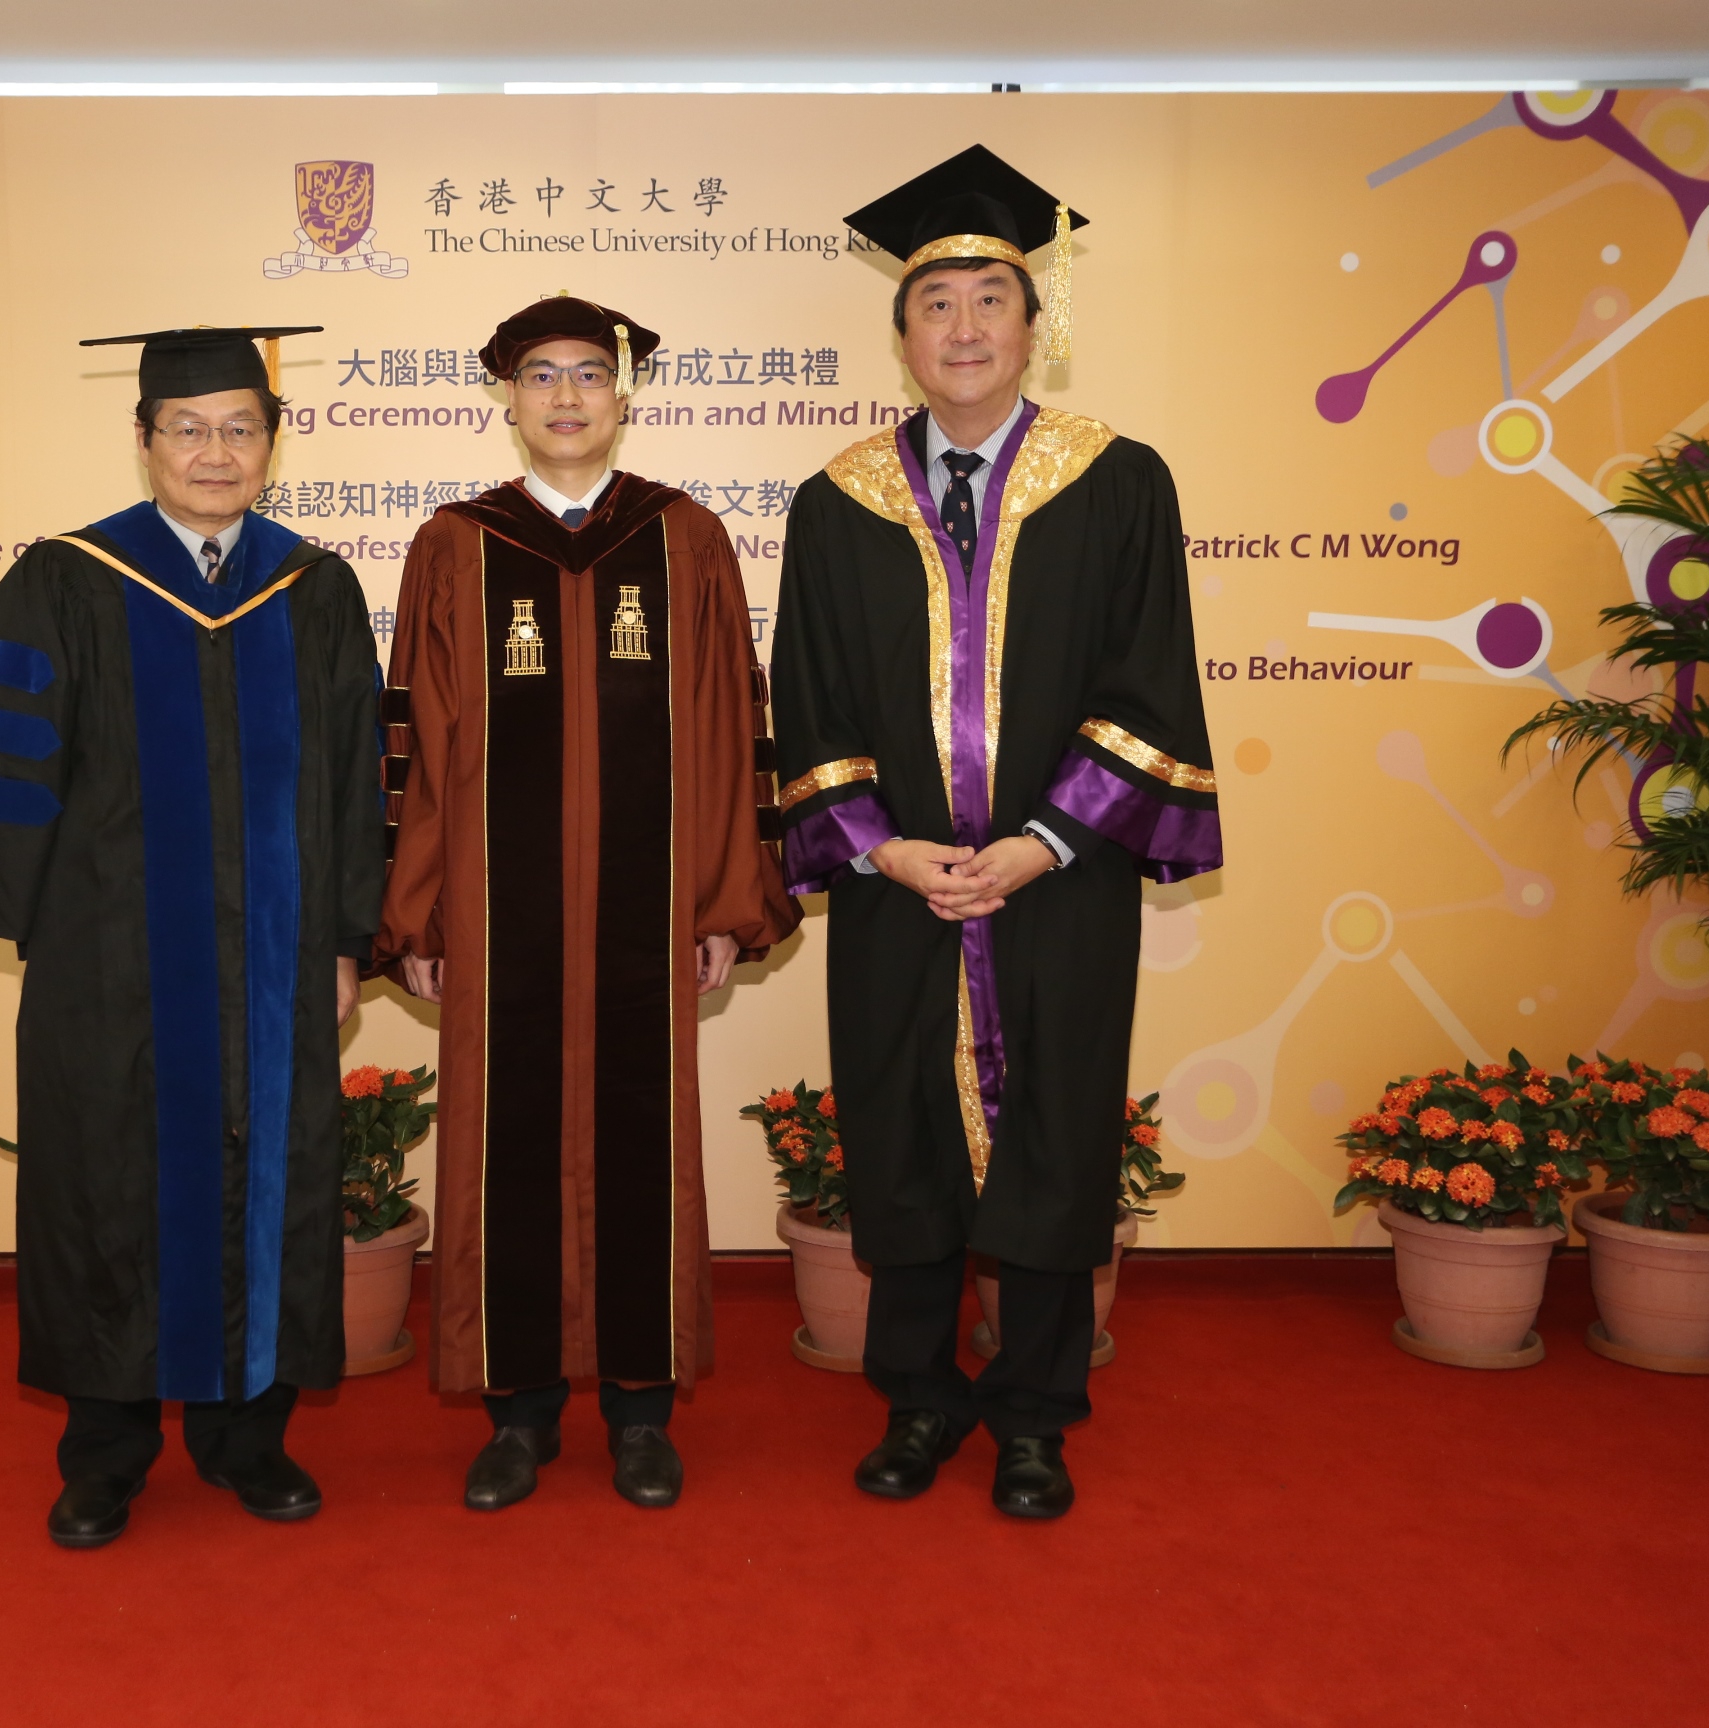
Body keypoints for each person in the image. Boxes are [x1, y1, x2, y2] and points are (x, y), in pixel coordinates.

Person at [770, 147, 1222, 1519]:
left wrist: (1040, 841)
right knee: (901, 1134)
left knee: (1056, 1131)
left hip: (1057, 886)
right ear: (900, 333)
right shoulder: (836, 501)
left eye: (989, 301)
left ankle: (1035, 1412)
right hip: (901, 885)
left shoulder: (1119, 483)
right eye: (935, 304)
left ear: (1036, 325)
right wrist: (886, 848)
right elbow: (811, 702)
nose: (963, 329)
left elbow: (1149, 687)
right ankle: (917, 1402)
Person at [0, 324, 387, 1549]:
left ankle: (250, 1439)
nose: (215, 450)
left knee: (267, 1187)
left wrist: (345, 938)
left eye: (241, 427)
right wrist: (43, 931)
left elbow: (354, 782)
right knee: (107, 1190)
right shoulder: (68, 580)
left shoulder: (315, 588)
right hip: (113, 964)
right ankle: (106, 1454)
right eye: (188, 427)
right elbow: (1, 768)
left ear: (274, 446)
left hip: (278, 962)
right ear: (142, 441)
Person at [379, 295, 798, 1511]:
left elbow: (728, 727)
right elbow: (416, 740)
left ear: (625, 395)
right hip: (497, 917)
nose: (566, 398)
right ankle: (515, 1414)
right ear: (506, 399)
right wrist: (423, 913)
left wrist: (722, 899)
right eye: (540, 377)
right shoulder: (454, 545)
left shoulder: (686, 540)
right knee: (501, 1143)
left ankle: (639, 1408)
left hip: (645, 906)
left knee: (639, 1137)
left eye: (589, 376)